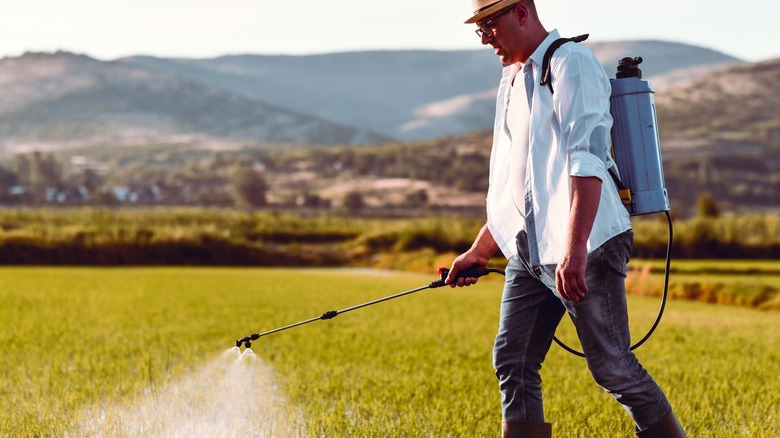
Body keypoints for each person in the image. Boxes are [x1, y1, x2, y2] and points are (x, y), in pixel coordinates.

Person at [445, 1, 687, 437]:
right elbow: (521, 184)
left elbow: (587, 159)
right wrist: (480, 250)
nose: (483, 37)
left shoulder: (570, 62)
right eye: (478, 27)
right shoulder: (515, 79)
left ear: (521, 12)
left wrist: (574, 249)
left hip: (586, 245)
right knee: (513, 360)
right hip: (531, 249)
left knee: (613, 367)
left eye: (488, 24)